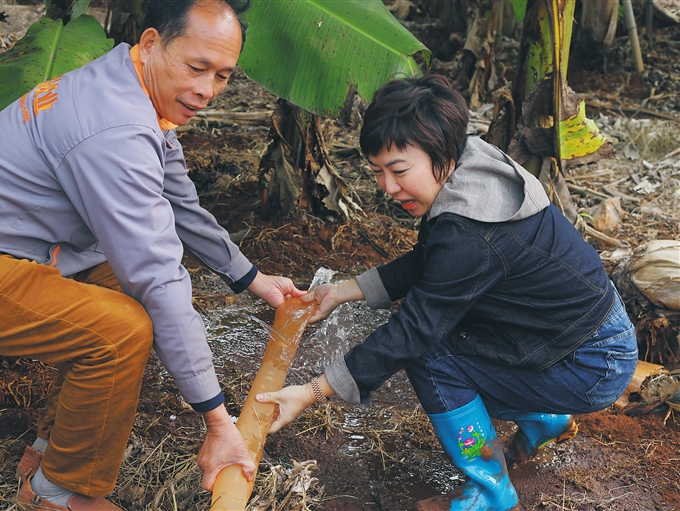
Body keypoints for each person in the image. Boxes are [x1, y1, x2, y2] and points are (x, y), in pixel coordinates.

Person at [0, 0, 306, 509]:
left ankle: (51, 449)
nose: (208, 91)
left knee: (121, 287)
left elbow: (180, 205)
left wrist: (251, 278)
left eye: (224, 75)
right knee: (119, 332)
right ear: (150, 43)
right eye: (196, 68)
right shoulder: (114, 130)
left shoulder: (127, 81)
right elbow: (159, 276)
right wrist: (217, 419)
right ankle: (57, 494)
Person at [256, 74, 638, 511]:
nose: (387, 187)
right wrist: (341, 292)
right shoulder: (471, 165)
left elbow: (413, 330)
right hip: (581, 337)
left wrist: (311, 391)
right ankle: (545, 416)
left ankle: (492, 492)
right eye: (377, 172)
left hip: (588, 362)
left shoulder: (469, 235)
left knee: (429, 352)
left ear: (441, 153)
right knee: (448, 331)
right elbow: (428, 262)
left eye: (399, 171)